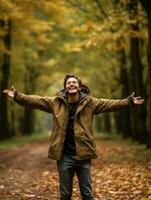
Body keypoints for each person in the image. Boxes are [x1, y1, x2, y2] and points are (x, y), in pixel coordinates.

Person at [3, 73, 144, 200]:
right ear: (65, 88)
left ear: (79, 87)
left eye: (74, 82)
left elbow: (109, 104)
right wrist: (17, 96)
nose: (71, 84)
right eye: (69, 83)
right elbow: (35, 100)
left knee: (87, 194)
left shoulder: (90, 103)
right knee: (65, 194)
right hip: (64, 156)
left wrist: (128, 101)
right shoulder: (55, 102)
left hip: (84, 154)